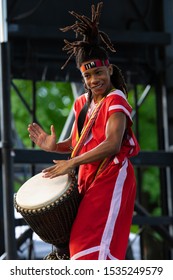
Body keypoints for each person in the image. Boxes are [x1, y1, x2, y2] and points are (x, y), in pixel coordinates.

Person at [28, 2, 140, 260]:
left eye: (99, 72)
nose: (94, 80)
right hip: (86, 177)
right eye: (87, 77)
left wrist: (71, 163)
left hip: (111, 174)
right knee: (78, 248)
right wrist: (54, 146)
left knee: (94, 249)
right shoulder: (82, 103)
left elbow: (112, 144)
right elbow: (81, 142)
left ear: (109, 69)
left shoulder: (116, 99)